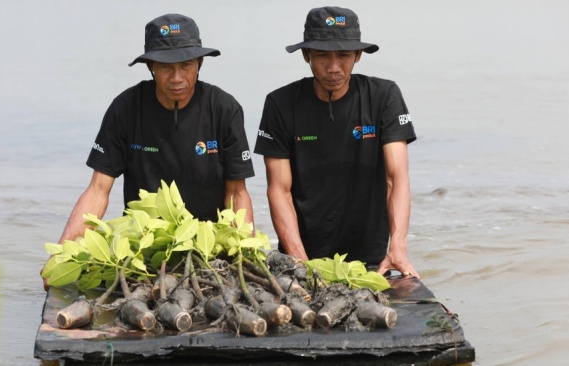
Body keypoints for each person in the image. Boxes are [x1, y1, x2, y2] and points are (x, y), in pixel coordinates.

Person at [43, 14, 255, 287]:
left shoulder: (224, 109)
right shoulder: (126, 108)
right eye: (166, 66)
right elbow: (98, 189)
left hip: (208, 249)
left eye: (186, 65)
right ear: (151, 66)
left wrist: (245, 254)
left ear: (199, 64)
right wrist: (62, 253)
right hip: (144, 250)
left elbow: (237, 193)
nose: (177, 77)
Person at [254, 6, 419, 278]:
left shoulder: (383, 96)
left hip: (373, 261)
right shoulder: (280, 103)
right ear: (306, 55)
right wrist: (299, 261)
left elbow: (396, 178)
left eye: (343, 55)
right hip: (303, 259)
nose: (333, 68)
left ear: (358, 55)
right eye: (322, 56)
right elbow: (279, 189)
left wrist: (398, 247)